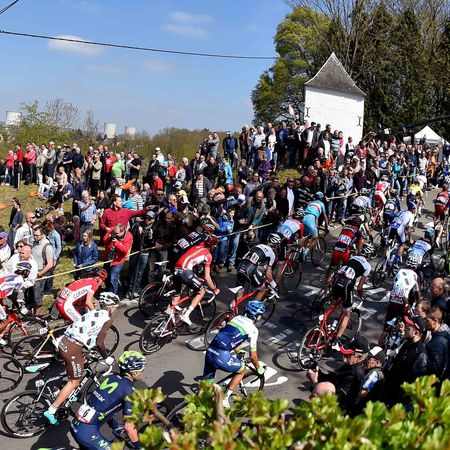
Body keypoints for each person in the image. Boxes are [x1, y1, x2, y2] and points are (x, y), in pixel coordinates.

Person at [44, 292, 120, 425]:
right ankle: (51, 410)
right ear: (111, 307)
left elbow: (87, 332)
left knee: (83, 362)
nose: (116, 310)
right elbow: (100, 343)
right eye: (116, 307)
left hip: (64, 341)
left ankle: (64, 391)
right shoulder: (107, 319)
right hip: (72, 348)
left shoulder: (94, 312)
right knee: (74, 381)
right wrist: (106, 358)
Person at [71, 350, 146, 450]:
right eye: (141, 370)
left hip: (76, 425)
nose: (141, 372)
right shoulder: (130, 392)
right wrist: (139, 446)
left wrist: (115, 425)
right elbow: (129, 427)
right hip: (87, 434)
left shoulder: (111, 377)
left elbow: (104, 405)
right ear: (133, 372)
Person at [203, 301, 266, 408]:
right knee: (242, 370)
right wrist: (259, 369)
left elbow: (227, 337)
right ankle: (224, 398)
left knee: (206, 387)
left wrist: (237, 351)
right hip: (221, 356)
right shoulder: (253, 330)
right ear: (257, 316)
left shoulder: (236, 318)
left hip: (210, 351)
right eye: (261, 315)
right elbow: (253, 356)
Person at [307, 335, 369, 414]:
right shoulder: (351, 366)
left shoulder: (354, 375)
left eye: (348, 355)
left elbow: (335, 399)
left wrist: (315, 383)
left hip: (335, 413)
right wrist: (316, 371)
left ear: (360, 357)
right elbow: (331, 378)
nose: (344, 356)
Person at [172, 235, 220, 326]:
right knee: (201, 291)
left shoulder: (195, 247)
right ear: (212, 246)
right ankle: (186, 314)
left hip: (176, 270)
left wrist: (196, 277)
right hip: (186, 272)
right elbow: (207, 277)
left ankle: (168, 320)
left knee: (177, 295)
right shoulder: (208, 255)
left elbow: (189, 262)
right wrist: (214, 289)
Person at [383, 315, 427, 407]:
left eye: (408, 328)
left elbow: (415, 383)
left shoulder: (420, 354)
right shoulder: (406, 343)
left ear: (416, 333)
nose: (405, 329)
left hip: (398, 401)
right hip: (388, 391)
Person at [378, 256, 420, 346]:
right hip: (404, 303)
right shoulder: (415, 276)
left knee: (385, 330)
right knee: (408, 323)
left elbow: (393, 287)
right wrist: (416, 305)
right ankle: (401, 340)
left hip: (392, 301)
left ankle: (379, 347)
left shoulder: (400, 271)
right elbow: (417, 293)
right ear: (416, 266)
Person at [330, 255, 370, 347]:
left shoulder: (353, 257)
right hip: (347, 285)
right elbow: (359, 288)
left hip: (337, 279)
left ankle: (322, 321)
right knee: (346, 315)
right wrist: (362, 296)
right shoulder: (367, 266)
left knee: (333, 302)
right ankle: (336, 341)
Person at [236, 233, 280, 300]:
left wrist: (258, 273)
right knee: (262, 288)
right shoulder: (272, 254)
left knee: (239, 295)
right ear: (276, 245)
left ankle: (233, 306)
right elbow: (268, 274)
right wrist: (274, 285)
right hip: (249, 270)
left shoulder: (259, 245)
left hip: (240, 267)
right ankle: (253, 307)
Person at [325, 215, 365, 284]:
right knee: (346, 268)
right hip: (345, 251)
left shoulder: (344, 228)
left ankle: (327, 282)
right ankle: (339, 282)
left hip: (336, 248)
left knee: (332, 265)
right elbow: (359, 249)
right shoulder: (358, 233)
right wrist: (359, 256)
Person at [273, 208, 305, 283]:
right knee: (281, 264)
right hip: (282, 241)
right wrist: (301, 248)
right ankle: (275, 286)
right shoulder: (300, 225)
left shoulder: (287, 219)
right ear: (302, 217)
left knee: (273, 258)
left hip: (274, 237)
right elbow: (300, 241)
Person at [302, 192, 329, 259]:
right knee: (315, 239)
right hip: (310, 220)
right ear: (322, 198)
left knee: (307, 237)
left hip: (303, 219)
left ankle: (301, 251)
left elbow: (315, 216)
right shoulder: (321, 204)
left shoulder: (310, 203)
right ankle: (305, 252)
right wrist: (326, 227)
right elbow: (325, 217)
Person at [425, 306, 449, 378]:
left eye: (427, 320)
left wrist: (421, 356)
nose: (425, 322)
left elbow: (435, 368)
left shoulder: (438, 342)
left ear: (435, 321)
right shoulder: (437, 336)